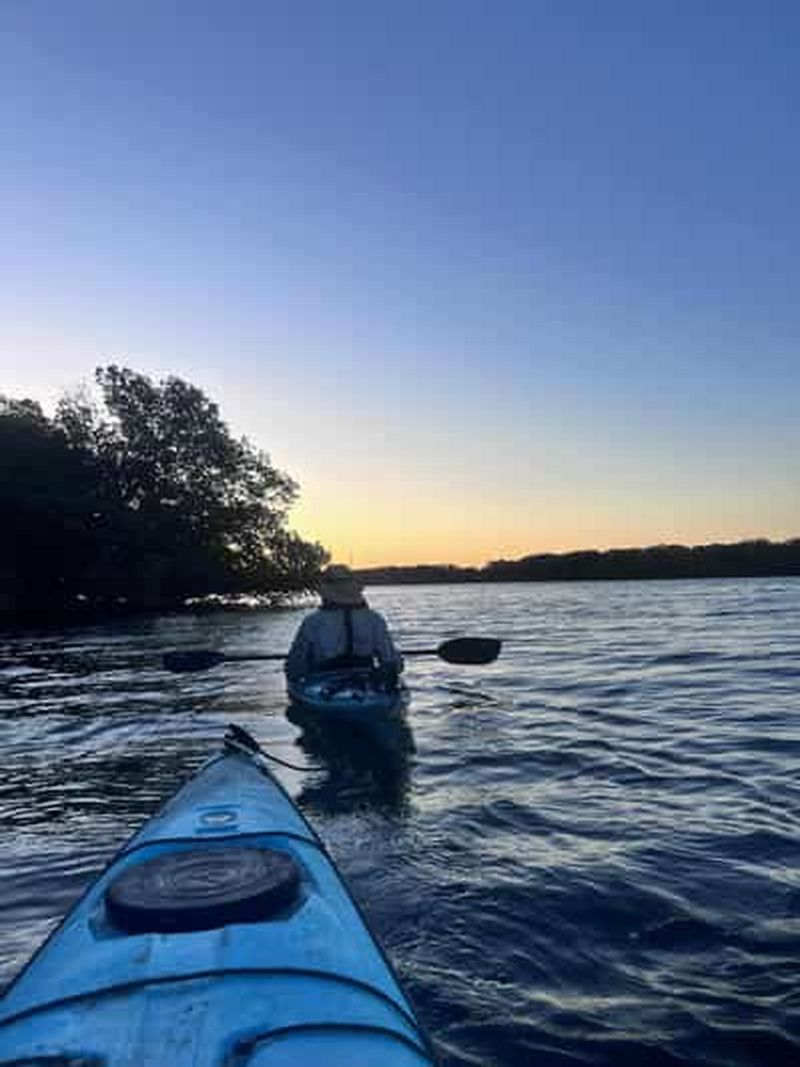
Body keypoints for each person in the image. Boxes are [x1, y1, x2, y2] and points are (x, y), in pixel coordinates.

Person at [285, 565, 403, 685]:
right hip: (366, 683)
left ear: (325, 593)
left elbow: (294, 669)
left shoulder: (312, 622)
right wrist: (398, 661)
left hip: (323, 686)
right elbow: (392, 662)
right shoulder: (374, 619)